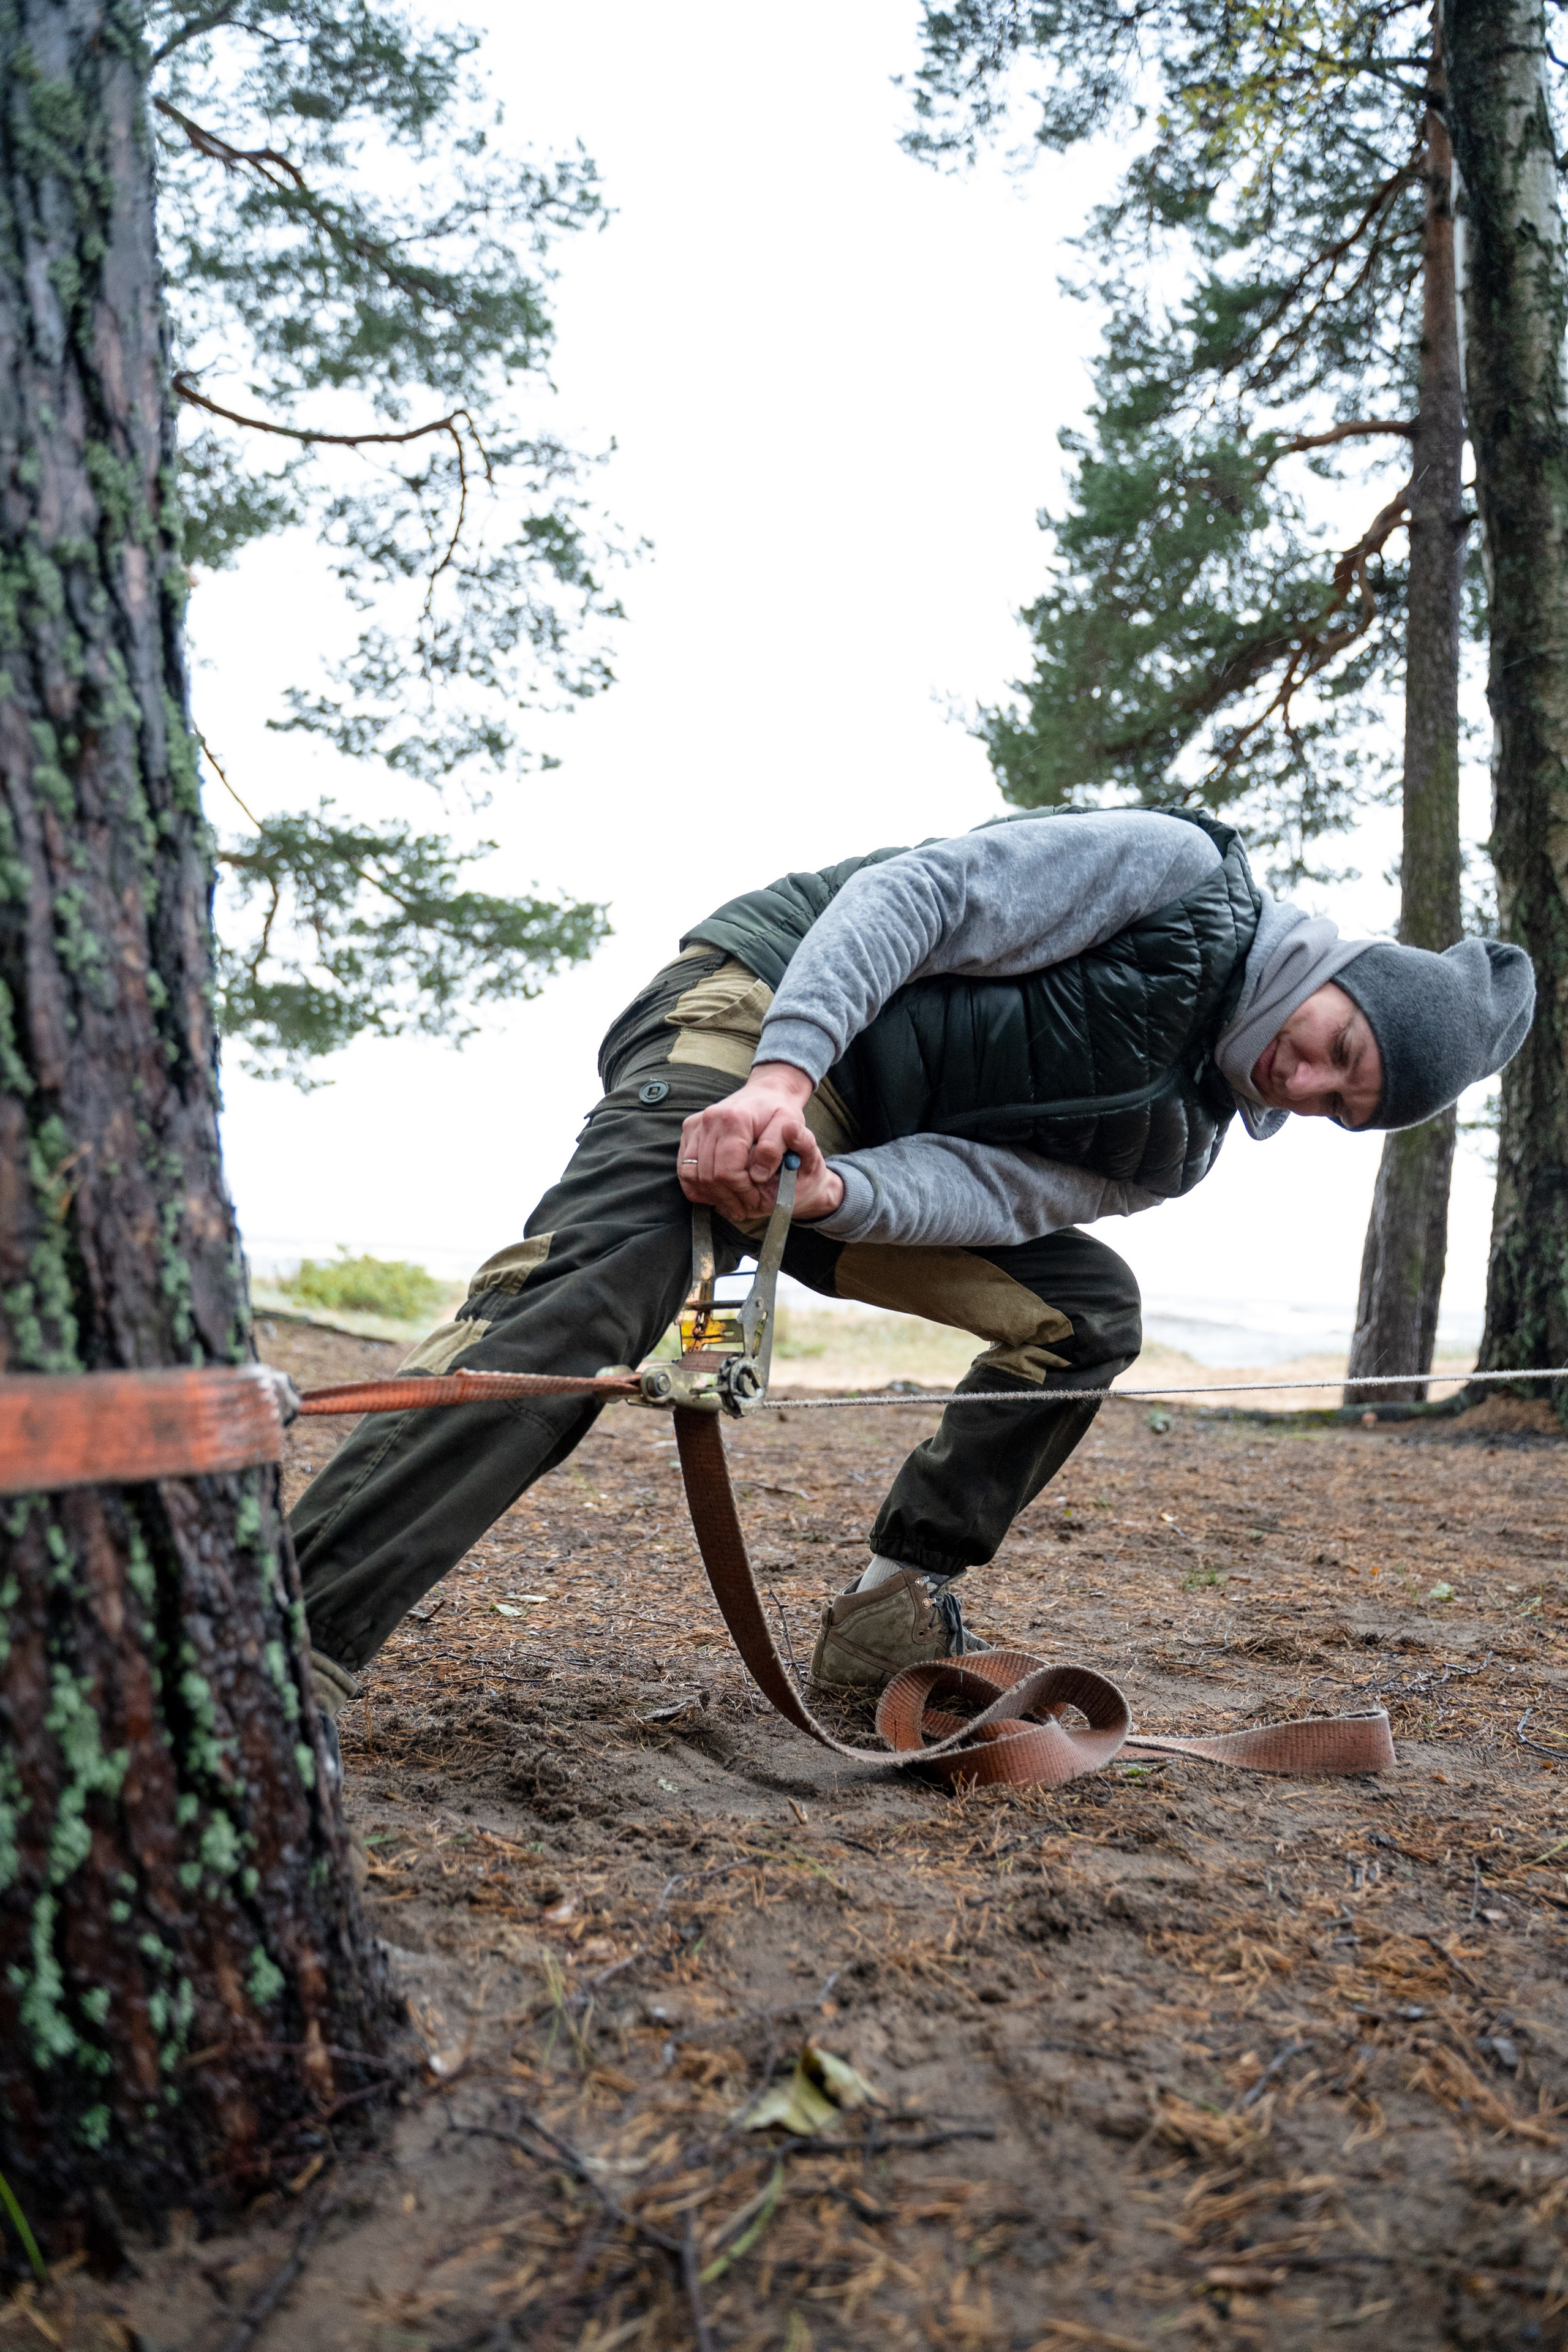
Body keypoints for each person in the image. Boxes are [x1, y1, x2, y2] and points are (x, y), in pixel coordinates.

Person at [292, 806, 1534, 1733]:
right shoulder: (1181, 877)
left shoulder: (1174, 1150)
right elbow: (916, 898)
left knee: (1089, 1313)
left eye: (1335, 1106)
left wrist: (837, 1196)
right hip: (764, 1010)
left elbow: (987, 1192)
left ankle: (887, 1617)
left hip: (845, 1155)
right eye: (1332, 1047)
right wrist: (780, 1078)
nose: (1300, 1084)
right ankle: (286, 1637)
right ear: (1335, 977)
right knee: (610, 1282)